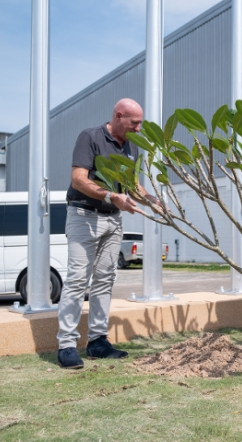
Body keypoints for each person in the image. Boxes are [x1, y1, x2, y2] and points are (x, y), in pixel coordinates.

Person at [57, 98, 162, 369]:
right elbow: (79, 178)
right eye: (135, 122)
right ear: (118, 115)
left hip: (113, 221)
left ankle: (97, 342)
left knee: (105, 280)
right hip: (84, 216)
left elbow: (132, 185)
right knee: (78, 279)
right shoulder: (90, 137)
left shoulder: (130, 147)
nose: (140, 129)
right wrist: (112, 196)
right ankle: (67, 344)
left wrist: (151, 199)